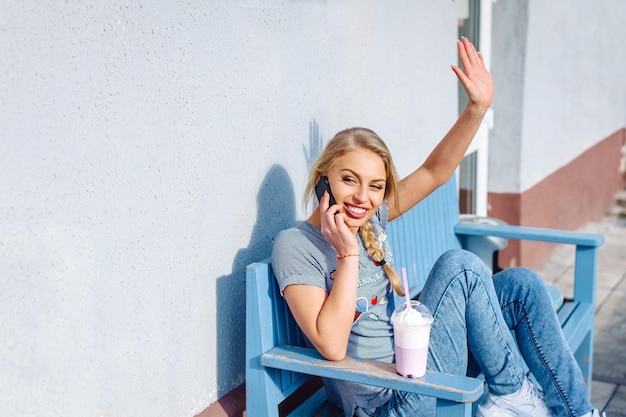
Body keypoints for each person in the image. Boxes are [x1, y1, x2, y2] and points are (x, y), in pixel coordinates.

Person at [271, 38, 604, 417]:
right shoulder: (296, 245)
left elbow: (434, 172)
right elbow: (331, 347)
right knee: (460, 267)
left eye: (376, 186)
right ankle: (511, 392)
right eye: (349, 179)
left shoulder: (370, 218)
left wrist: (477, 109)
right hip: (391, 400)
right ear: (322, 177)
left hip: (416, 365)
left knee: (522, 286)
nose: (362, 196)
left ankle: (578, 412)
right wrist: (347, 255)